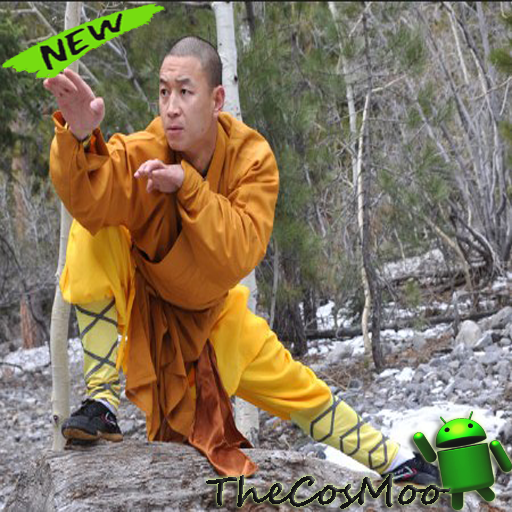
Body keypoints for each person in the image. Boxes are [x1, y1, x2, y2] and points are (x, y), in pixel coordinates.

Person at [45, 35, 438, 483]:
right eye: (163, 92)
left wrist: (187, 185)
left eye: (185, 92)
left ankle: (397, 462)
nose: (171, 107)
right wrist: (79, 137)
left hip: (212, 314)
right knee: (91, 230)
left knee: (297, 388)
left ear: (217, 100)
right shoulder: (150, 147)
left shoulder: (252, 156)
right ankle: (101, 400)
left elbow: (240, 249)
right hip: (146, 307)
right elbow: (92, 196)